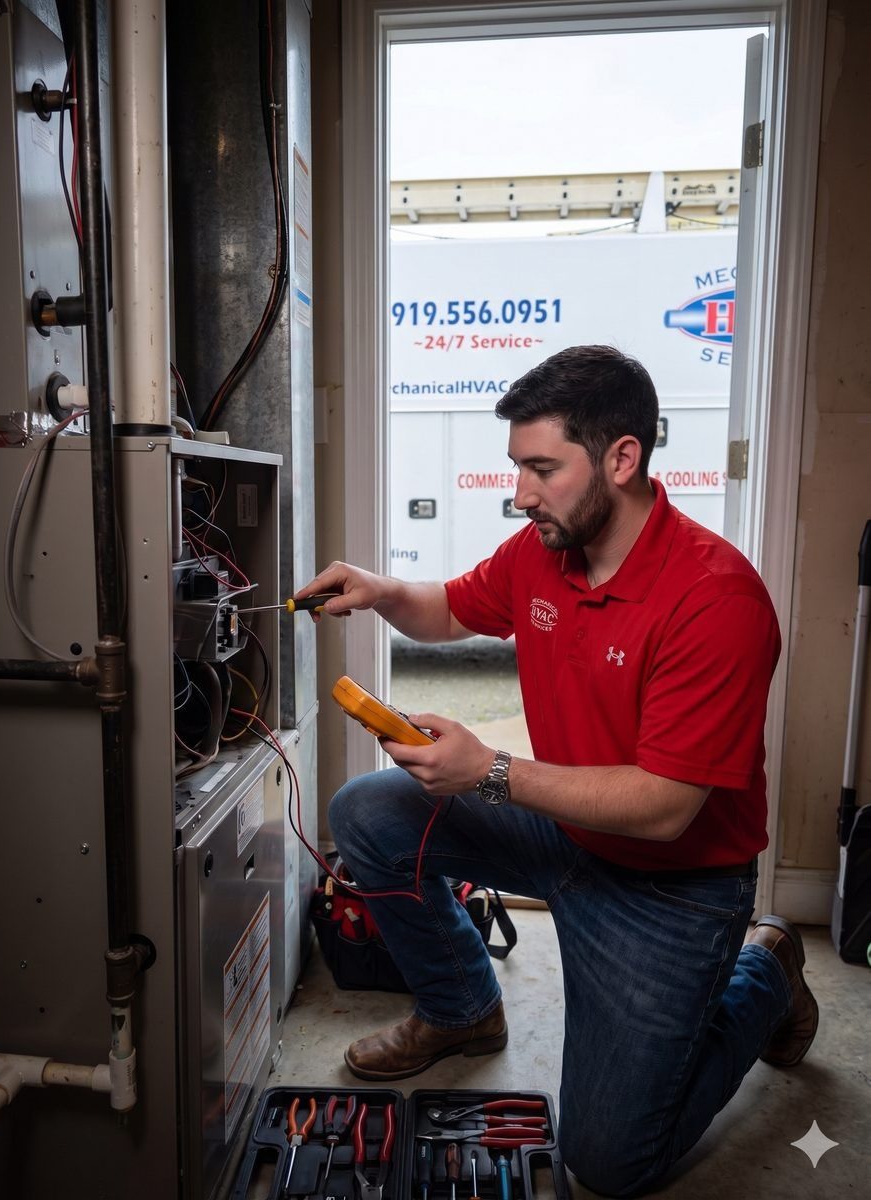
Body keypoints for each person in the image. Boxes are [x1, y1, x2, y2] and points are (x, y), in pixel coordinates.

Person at [296, 345, 819, 1198]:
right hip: (562, 830)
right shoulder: (543, 550)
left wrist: (488, 771)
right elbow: (448, 610)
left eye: (542, 468)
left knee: (611, 1164)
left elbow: (663, 809)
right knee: (367, 814)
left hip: (670, 887)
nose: (520, 493)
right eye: (517, 467)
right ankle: (462, 1007)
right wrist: (380, 589)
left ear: (623, 457)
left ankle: (766, 967)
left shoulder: (716, 599)